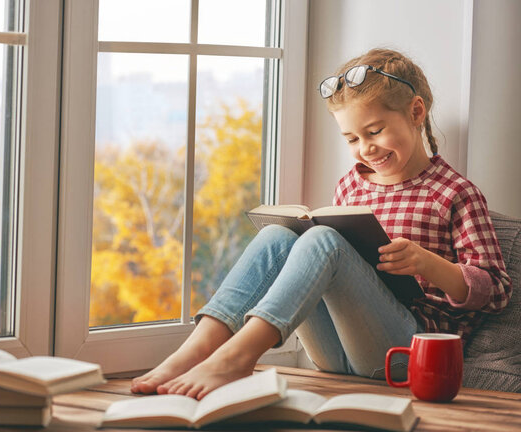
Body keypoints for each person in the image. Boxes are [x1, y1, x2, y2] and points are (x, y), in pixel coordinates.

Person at [131, 48, 512, 400]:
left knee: (324, 241)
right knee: (278, 236)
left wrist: (429, 264)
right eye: (352, 138)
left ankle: (236, 357)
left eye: (375, 131)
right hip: (338, 352)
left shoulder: (455, 193)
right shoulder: (350, 184)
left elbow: (495, 291)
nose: (366, 148)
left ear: (416, 112)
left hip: (405, 353)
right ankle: (195, 351)